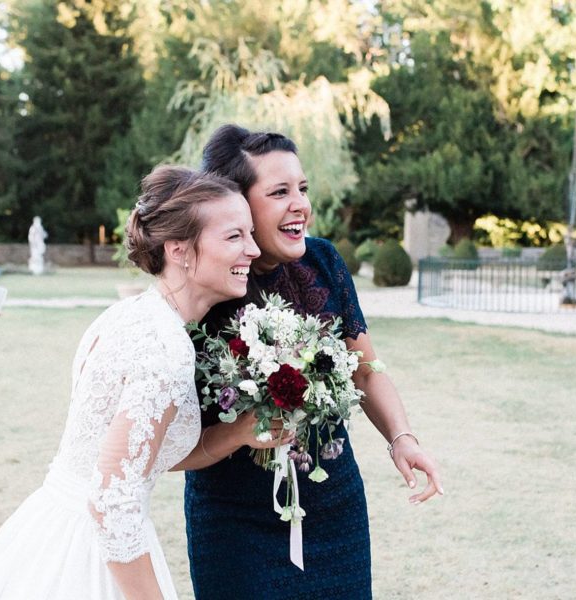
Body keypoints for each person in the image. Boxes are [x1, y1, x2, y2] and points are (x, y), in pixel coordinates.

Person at [0, 165, 283, 600]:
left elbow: (136, 459)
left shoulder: (133, 315)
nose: (253, 250)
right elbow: (113, 505)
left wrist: (237, 433)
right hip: (88, 556)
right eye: (234, 236)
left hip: (53, 527)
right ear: (180, 251)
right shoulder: (164, 348)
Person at [180, 125, 444, 599]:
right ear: (236, 204)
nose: (299, 204)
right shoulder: (200, 291)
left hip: (333, 506)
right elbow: (176, 440)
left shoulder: (323, 261)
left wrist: (402, 439)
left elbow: (366, 369)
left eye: (301, 188)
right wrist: (244, 431)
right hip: (234, 524)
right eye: (279, 192)